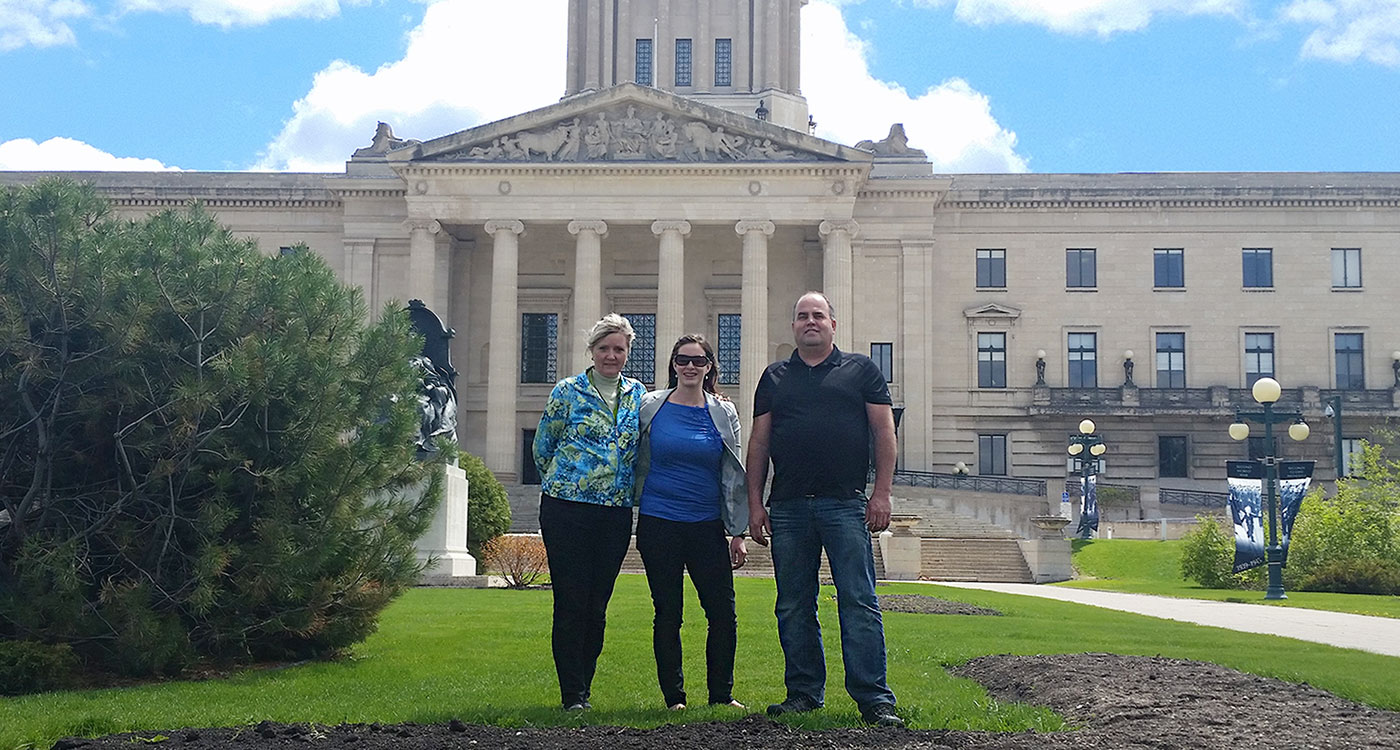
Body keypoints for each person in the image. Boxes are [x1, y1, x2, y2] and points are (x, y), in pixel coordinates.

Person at [745, 291, 903, 727]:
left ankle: (874, 698)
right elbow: (759, 443)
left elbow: (883, 433)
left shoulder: (861, 371)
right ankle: (803, 692)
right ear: (793, 326)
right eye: (802, 317)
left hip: (845, 503)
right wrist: (755, 504)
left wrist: (882, 493)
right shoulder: (774, 377)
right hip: (790, 507)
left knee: (859, 601)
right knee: (793, 604)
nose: (810, 322)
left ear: (833, 323)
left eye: (818, 315)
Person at [533, 313, 647, 711]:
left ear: (628, 352)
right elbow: (543, 447)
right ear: (592, 351)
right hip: (567, 510)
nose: (611, 356)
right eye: (604, 348)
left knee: (598, 604)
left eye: (618, 349)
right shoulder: (568, 391)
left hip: (614, 512)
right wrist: (567, 483)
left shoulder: (638, 395)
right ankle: (571, 695)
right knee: (570, 600)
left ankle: (585, 687)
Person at [634, 334, 748, 711]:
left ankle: (721, 695)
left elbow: (733, 472)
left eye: (698, 361)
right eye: (683, 360)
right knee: (668, 612)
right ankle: (674, 698)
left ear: (710, 367)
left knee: (722, 612)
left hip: (706, 523)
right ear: (673, 364)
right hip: (659, 520)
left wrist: (738, 531)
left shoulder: (723, 411)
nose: (690, 367)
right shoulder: (651, 405)